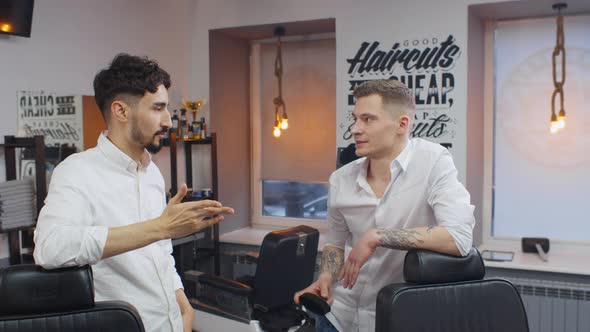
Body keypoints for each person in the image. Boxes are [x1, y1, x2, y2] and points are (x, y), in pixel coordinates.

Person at [33, 53, 234, 332]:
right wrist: (159, 227)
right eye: (157, 108)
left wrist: (183, 306)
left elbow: (160, 252)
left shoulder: (151, 172)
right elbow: (50, 247)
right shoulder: (77, 171)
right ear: (121, 111)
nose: (168, 121)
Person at [294, 79, 475, 332]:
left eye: (368, 119)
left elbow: (459, 237)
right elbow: (335, 244)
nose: (355, 129)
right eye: (355, 118)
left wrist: (378, 236)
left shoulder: (433, 162)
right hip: (337, 318)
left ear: (402, 124)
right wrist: (325, 278)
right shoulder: (340, 180)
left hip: (396, 320)